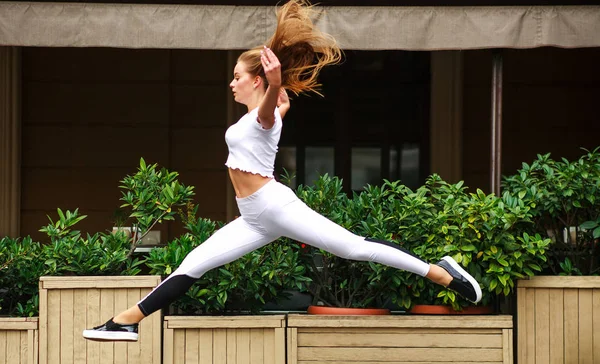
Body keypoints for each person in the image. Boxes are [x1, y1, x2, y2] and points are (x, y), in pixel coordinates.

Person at [83, 0, 481, 342]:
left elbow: (270, 113)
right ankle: (126, 323)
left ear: (256, 80)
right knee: (194, 264)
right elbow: (275, 112)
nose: (231, 83)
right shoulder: (261, 116)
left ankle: (441, 273)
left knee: (353, 248)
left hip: (274, 206)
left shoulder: (262, 117)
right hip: (254, 218)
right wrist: (277, 97)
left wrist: (274, 85)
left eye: (237, 77)